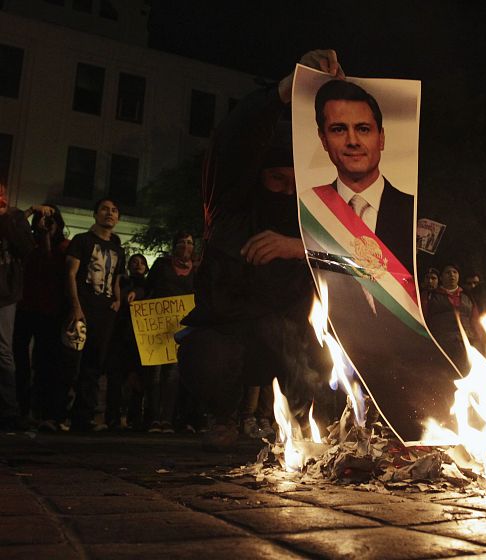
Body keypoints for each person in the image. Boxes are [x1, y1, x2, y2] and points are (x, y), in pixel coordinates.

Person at [179, 50, 342, 451]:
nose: (286, 192)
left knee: (321, 352)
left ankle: (308, 424)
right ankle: (222, 417)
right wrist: (286, 90)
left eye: (293, 184)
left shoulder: (313, 222)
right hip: (229, 333)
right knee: (207, 354)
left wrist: (296, 247)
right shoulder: (230, 208)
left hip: (288, 344)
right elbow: (235, 139)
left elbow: (362, 256)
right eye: (276, 181)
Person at [311, 79, 414, 274]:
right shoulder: (309, 207)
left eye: (363, 129)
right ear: (324, 140)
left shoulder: (414, 210)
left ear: (381, 138)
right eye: (339, 129)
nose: (352, 141)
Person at [64, 198, 125, 431]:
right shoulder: (82, 241)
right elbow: (71, 273)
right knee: (70, 361)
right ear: (95, 214)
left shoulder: (118, 249)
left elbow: (117, 277)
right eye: (105, 209)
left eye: (114, 210)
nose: (110, 213)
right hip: (83, 306)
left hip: (105, 311)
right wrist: (76, 306)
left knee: (93, 364)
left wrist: (118, 300)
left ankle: (83, 417)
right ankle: (57, 413)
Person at [14, 205, 70, 431]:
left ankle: (43, 411)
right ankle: (21, 407)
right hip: (25, 307)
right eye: (44, 219)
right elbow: (13, 225)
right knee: (19, 359)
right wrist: (30, 210)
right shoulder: (27, 243)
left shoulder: (65, 247)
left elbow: (50, 264)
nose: (48, 223)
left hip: (51, 311)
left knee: (46, 362)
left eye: (52, 220)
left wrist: (47, 235)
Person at [143, 232, 196, 434]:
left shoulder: (196, 270)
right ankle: (153, 419)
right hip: (157, 326)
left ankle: (167, 419)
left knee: (173, 374)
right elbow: (149, 288)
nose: (185, 245)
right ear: (173, 245)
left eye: (189, 242)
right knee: (154, 374)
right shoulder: (161, 265)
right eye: (181, 241)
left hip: (179, 329)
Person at [0, 190, 36, 430]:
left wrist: (9, 219)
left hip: (4, 293)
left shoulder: (12, 220)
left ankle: (8, 410)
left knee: (3, 350)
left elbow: (27, 249)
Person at [104, 253, 148, 431]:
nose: (138, 265)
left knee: (137, 379)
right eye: (134, 262)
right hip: (121, 335)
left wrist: (135, 293)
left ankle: (134, 417)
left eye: (141, 262)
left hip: (139, 338)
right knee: (115, 378)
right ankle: (112, 417)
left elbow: (144, 291)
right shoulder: (122, 282)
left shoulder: (148, 284)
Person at [421, 264, 480, 372]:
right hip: (441, 345)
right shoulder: (430, 296)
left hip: (467, 344)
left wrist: (478, 340)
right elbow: (423, 318)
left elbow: (475, 320)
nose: (451, 275)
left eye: (454, 272)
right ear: (442, 277)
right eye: (448, 272)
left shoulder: (468, 296)